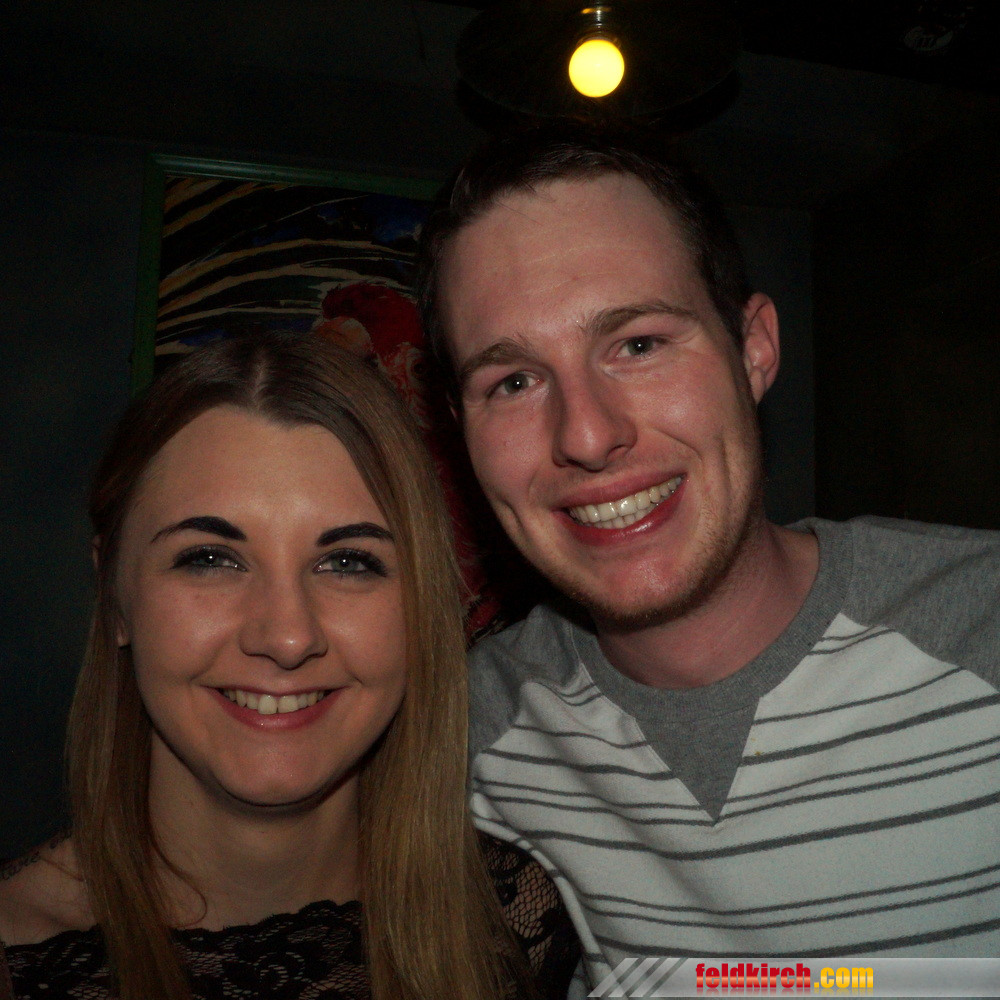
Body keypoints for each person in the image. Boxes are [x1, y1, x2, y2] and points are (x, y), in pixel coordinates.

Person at [416, 122, 1000, 986]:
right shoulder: (462, 731)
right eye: (513, 381)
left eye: (639, 344)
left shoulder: (982, 625)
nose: (586, 435)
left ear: (753, 349)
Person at [0, 333, 579, 1000]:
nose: (286, 636)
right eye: (209, 559)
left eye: (347, 563)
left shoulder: (511, 925)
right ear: (115, 595)